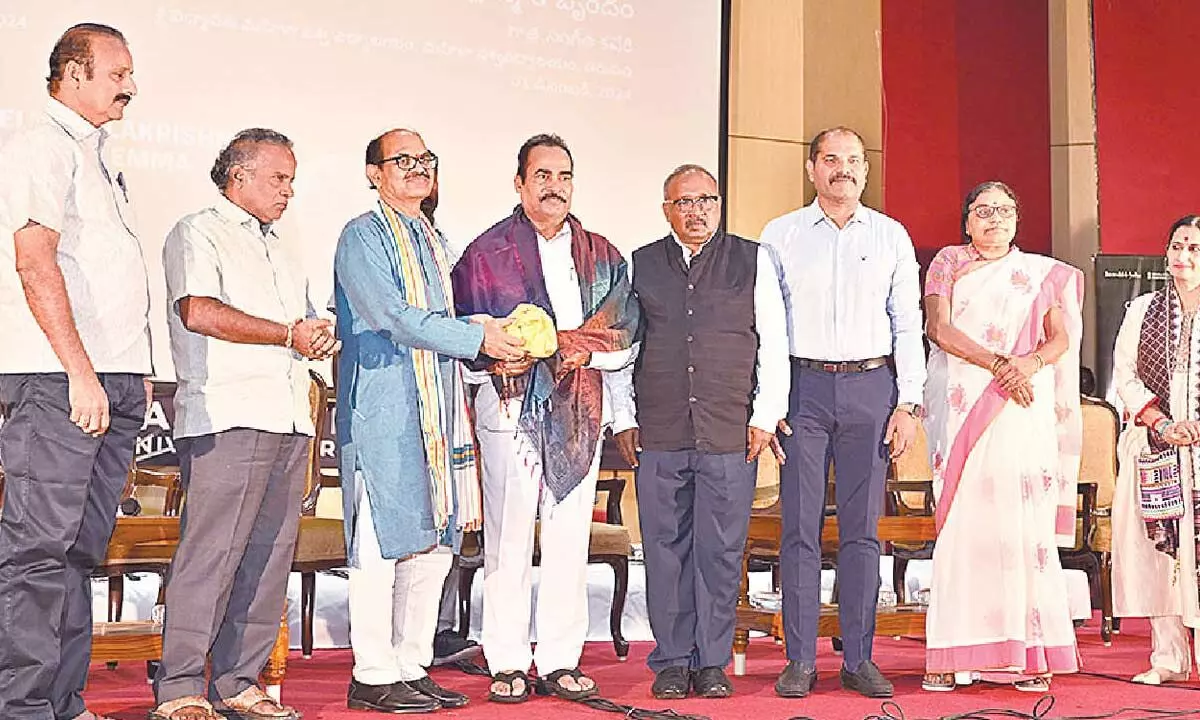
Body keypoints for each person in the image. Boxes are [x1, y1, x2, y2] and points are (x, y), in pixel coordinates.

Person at [333, 128, 525, 714]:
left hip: (439, 411)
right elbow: (391, 316)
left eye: (426, 160)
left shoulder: (434, 239)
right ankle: (371, 672)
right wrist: (478, 338)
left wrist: (498, 340)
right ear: (374, 172)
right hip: (386, 412)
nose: (418, 169)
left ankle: (410, 664)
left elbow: (453, 319)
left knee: (435, 546)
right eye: (403, 160)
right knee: (382, 543)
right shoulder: (362, 236)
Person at [151, 129, 337, 720]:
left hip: (286, 415)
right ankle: (180, 686)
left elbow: (300, 319)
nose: (289, 190)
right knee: (211, 554)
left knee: (268, 554)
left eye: (292, 178)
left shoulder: (283, 244)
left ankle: (238, 681)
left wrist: (316, 329)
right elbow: (198, 311)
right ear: (239, 175)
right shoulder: (196, 230)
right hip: (228, 413)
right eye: (278, 178)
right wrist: (287, 333)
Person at [451, 133, 640, 703]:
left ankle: (560, 659)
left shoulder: (604, 256)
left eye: (563, 177)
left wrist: (580, 349)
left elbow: (626, 334)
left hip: (578, 410)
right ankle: (506, 657)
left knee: (567, 539)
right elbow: (462, 331)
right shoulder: (485, 254)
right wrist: (511, 349)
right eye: (542, 176)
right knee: (508, 537)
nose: (554, 187)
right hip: (510, 408)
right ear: (519, 184)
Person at [0, 23, 153, 720]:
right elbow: (36, 260)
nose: (129, 85)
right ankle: (23, 707)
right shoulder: (41, 146)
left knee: (80, 553)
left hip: (110, 380)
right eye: (117, 72)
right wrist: (80, 372)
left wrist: (132, 372)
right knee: (39, 552)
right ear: (73, 72)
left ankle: (61, 700)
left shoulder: (98, 156)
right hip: (60, 380)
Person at [611, 164, 788, 699]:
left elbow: (773, 344)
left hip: (729, 428)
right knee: (664, 549)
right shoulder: (639, 265)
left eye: (705, 200)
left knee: (720, 550)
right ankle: (670, 660)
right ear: (666, 209)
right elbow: (623, 346)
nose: (696, 211)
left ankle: (710, 661)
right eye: (684, 202)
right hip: (660, 429)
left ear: (719, 204)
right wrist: (623, 417)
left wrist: (763, 415)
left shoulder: (754, 260)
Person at [760, 126, 925, 699]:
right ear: (812, 169)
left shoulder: (890, 236)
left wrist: (908, 402)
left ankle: (858, 657)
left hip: (870, 389)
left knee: (862, 534)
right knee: (799, 530)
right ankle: (799, 659)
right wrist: (770, 404)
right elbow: (768, 329)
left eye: (853, 160)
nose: (843, 169)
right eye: (831, 160)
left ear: (865, 170)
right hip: (802, 390)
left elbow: (908, 323)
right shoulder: (779, 236)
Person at [920, 181, 1083, 693]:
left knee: (1020, 525)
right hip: (964, 403)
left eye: (1005, 211)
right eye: (983, 211)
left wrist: (1026, 365)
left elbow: (1059, 338)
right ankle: (950, 652)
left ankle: (1027, 653)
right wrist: (998, 365)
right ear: (966, 219)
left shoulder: (1040, 274)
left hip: (1020, 408)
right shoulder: (948, 263)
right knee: (965, 526)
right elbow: (939, 330)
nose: (995, 219)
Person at [1112, 214, 1200, 686]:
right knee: (1159, 551)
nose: (1183, 257)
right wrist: (1161, 422)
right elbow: (1124, 375)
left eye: (1194, 248)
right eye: (1177, 246)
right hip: (1156, 445)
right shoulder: (1142, 309)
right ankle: (1168, 657)